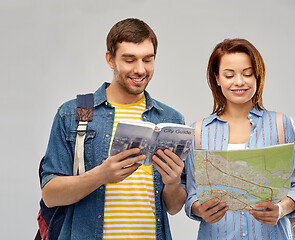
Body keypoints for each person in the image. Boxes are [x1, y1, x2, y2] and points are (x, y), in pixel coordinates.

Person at [41, 18, 187, 240]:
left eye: (148, 60)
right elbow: (50, 195)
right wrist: (101, 175)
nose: (140, 69)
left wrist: (174, 182)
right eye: (129, 60)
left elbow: (173, 207)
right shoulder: (76, 112)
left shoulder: (170, 119)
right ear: (110, 59)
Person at [185, 39, 295, 239]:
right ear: (217, 78)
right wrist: (200, 210)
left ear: (257, 76)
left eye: (247, 74)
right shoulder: (198, 132)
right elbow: (191, 194)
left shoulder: (280, 124)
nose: (239, 82)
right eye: (229, 75)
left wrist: (281, 209)